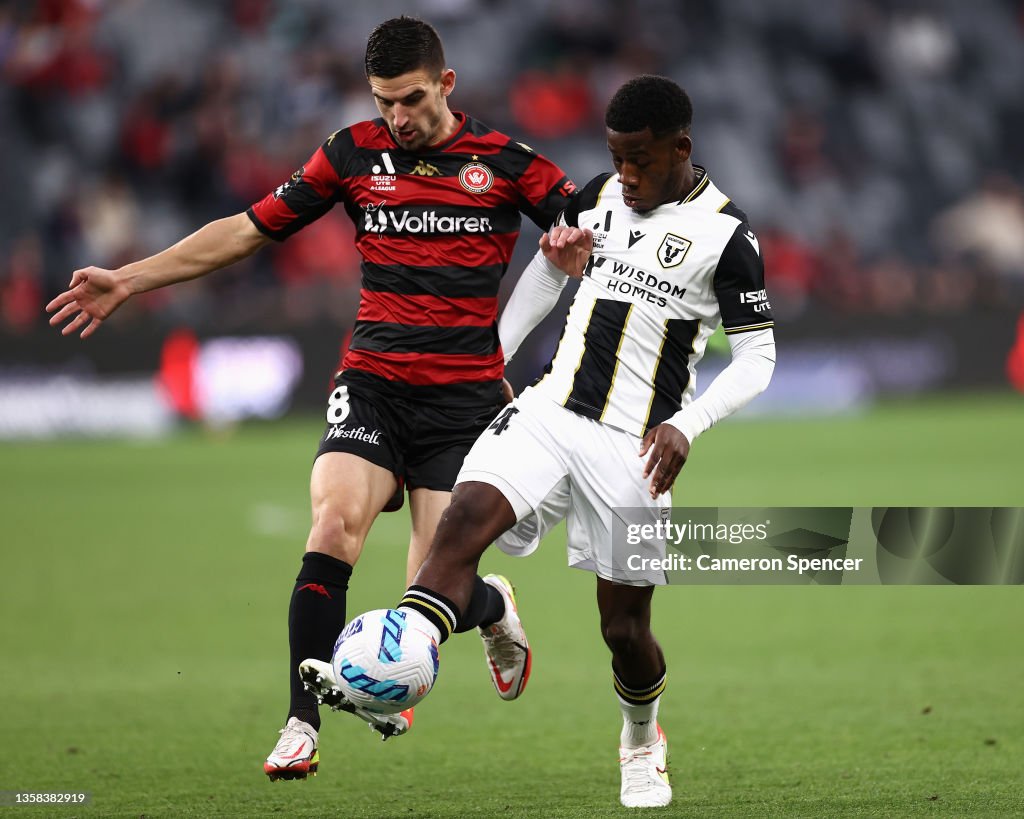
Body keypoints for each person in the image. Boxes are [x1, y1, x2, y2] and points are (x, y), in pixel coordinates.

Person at [45, 16, 578, 782]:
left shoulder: (508, 162)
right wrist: (129, 278)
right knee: (331, 526)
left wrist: (573, 245)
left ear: (447, 84)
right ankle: (301, 720)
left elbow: (590, 221)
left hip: (464, 402)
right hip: (371, 382)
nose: (398, 117)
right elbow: (246, 230)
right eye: (384, 101)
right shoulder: (352, 153)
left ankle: (491, 608)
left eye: (413, 99)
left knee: (428, 594)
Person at [357, 75, 777, 808]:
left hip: (635, 447)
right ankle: (405, 660)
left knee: (624, 629)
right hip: (549, 412)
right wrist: (493, 362)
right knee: (451, 536)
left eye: (640, 159)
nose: (625, 175)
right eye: (616, 158)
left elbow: (759, 357)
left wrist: (688, 423)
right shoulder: (599, 197)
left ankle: (642, 738)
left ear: (681, 147)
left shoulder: (727, 236)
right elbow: (550, 271)